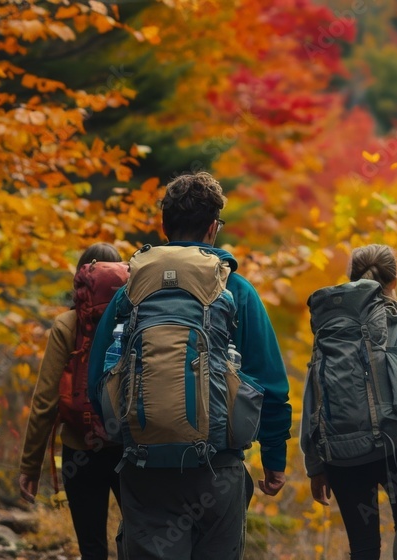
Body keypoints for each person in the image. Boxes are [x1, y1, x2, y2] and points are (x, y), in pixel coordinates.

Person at [87, 172, 291, 559]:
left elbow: (97, 379)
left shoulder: (130, 291)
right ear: (214, 227)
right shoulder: (235, 289)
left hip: (144, 468)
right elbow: (270, 385)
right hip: (217, 469)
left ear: (164, 226)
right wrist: (274, 458)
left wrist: (131, 429)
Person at [302, 244, 397, 560]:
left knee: (364, 546)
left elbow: (311, 396)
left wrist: (314, 463)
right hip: (396, 449)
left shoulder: (329, 331)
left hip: (341, 454)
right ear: (394, 281)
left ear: (351, 279)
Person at [19, 243, 127, 560]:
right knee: (140, 541)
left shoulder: (67, 325)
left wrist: (30, 465)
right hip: (129, 449)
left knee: (92, 548)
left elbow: (44, 401)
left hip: (81, 450)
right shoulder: (136, 322)